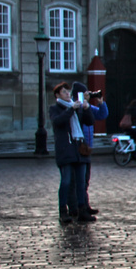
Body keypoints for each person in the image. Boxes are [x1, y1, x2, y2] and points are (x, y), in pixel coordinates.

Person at [49, 82, 90, 224]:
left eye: (68, 92)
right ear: (57, 95)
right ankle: (63, 211)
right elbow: (58, 122)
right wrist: (71, 109)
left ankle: (82, 210)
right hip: (65, 150)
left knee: (81, 182)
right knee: (66, 181)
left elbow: (89, 121)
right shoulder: (55, 109)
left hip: (79, 149)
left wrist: (86, 108)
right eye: (64, 92)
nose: (67, 94)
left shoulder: (76, 107)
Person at [73, 83, 106, 219]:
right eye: (85, 93)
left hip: (88, 147)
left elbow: (102, 114)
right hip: (79, 146)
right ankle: (79, 207)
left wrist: (101, 103)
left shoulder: (87, 107)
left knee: (85, 180)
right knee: (79, 180)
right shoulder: (76, 107)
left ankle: (85, 205)